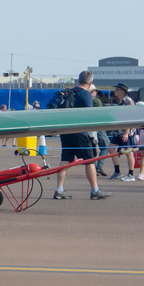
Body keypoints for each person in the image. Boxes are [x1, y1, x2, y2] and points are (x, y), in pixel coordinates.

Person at [52, 70, 110, 201]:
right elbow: (88, 116)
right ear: (90, 82)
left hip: (66, 131)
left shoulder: (69, 93)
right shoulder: (86, 95)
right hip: (80, 133)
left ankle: (59, 189)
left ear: (78, 81)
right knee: (89, 160)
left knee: (65, 160)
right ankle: (95, 190)